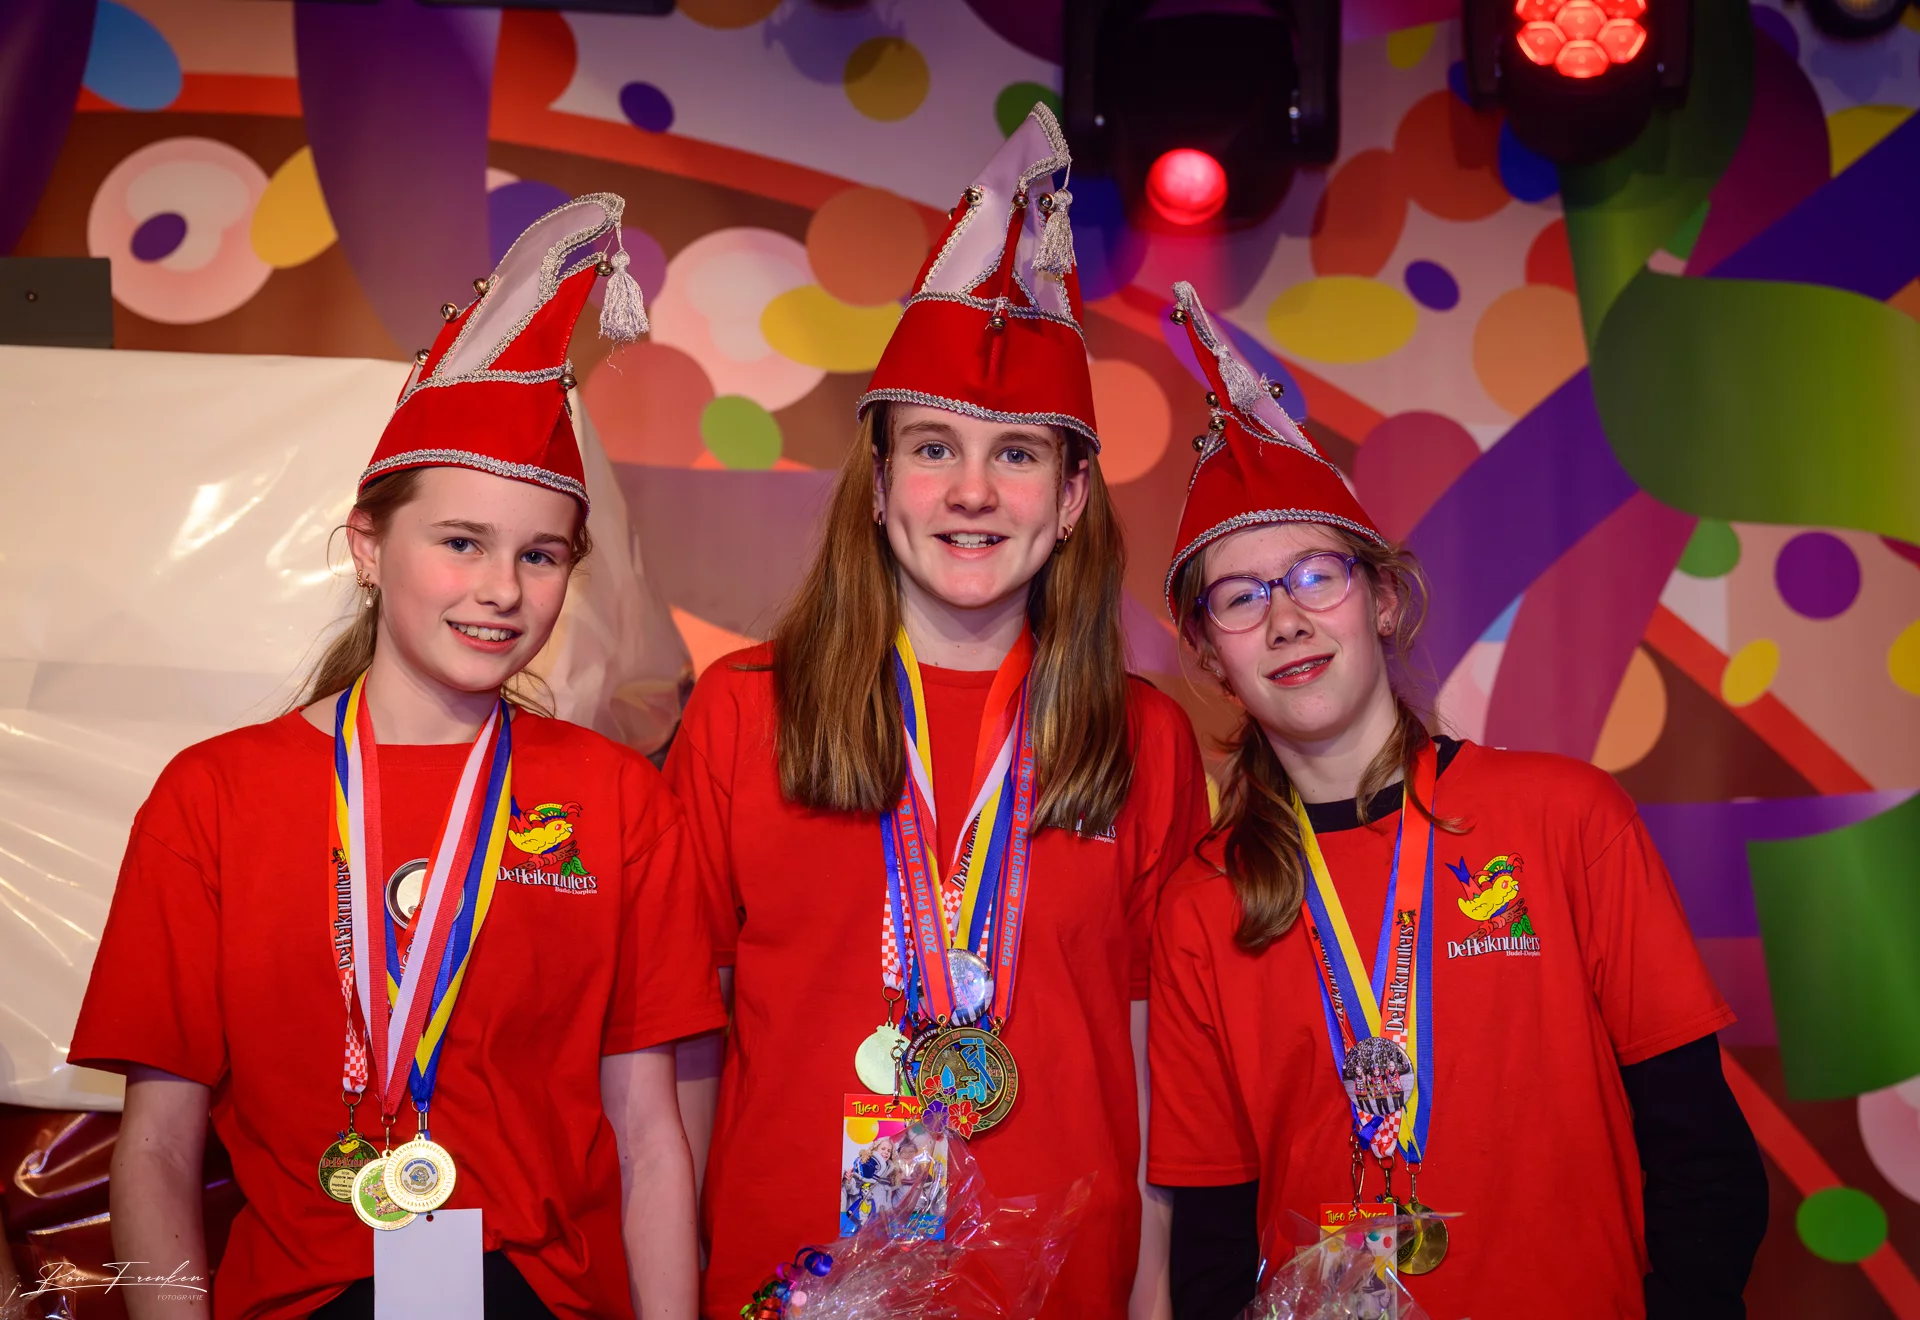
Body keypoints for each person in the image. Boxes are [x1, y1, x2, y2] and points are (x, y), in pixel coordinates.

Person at [69, 194, 724, 1320]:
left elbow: (652, 1139)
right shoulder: (213, 797)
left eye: (541, 556)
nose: (501, 590)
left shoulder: (619, 799)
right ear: (369, 547)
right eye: (461, 542)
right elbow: (160, 1149)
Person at [668, 105, 1211, 1320]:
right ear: (877, 484)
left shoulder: (1146, 739)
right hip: (788, 1288)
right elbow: (682, 1051)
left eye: (1017, 454)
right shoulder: (742, 713)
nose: (972, 491)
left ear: (1071, 498)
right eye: (932, 449)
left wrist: (1152, 1299)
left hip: (1061, 1290)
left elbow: (1151, 1056)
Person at [1146, 283, 1769, 1320]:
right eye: (1241, 598)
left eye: (1316, 576)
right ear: (1212, 656)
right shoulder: (1202, 907)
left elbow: (1703, 1161)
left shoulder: (1566, 819)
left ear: (1384, 600)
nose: (1287, 619)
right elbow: (1211, 1244)